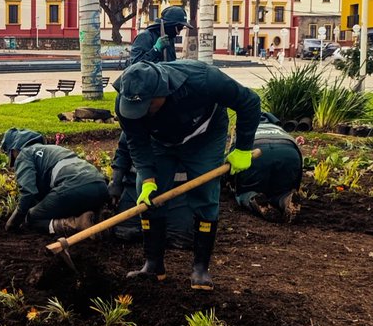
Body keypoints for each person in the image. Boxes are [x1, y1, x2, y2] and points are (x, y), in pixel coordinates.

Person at [113, 59, 261, 291]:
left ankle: (201, 269)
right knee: (149, 197)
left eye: (147, 107)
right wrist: (148, 178)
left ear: (162, 92)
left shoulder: (203, 80)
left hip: (204, 137)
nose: (140, 114)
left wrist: (242, 148)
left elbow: (249, 102)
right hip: (159, 142)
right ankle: (153, 266)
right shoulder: (126, 104)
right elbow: (136, 141)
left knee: (205, 194)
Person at [1, 128, 110, 236]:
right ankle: (98, 215)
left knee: (33, 217)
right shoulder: (52, 149)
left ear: (14, 150)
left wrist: (13, 222)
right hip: (100, 185)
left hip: (74, 188)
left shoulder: (24, 154)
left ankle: (76, 224)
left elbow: (28, 193)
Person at [108, 133, 193, 247]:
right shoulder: (136, 121)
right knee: (124, 232)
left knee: (180, 237)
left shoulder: (184, 124)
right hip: (136, 192)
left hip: (175, 193)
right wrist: (116, 182)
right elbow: (123, 151)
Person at [230, 113, 303, 223]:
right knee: (281, 190)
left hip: (256, 152)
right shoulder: (279, 130)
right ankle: (286, 199)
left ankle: (255, 199)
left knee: (245, 191)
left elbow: (232, 163)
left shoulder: (245, 130)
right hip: (289, 153)